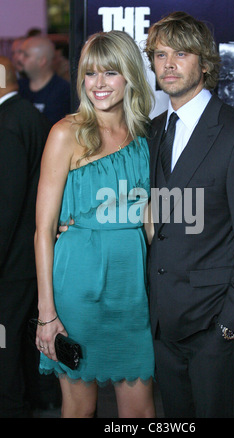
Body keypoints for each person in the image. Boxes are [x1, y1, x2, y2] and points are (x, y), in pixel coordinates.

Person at [144, 11, 234, 418]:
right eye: (160, 54)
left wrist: (229, 326)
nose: (168, 64)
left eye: (181, 53)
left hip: (214, 329)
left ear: (205, 62)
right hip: (162, 325)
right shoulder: (152, 131)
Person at [34, 30, 155, 418]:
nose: (98, 84)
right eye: (90, 73)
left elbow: (150, 219)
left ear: (130, 76)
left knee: (139, 410)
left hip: (131, 289)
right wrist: (47, 313)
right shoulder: (66, 133)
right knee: (79, 408)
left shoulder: (143, 136)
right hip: (77, 288)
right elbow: (43, 230)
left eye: (110, 72)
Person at [0, 56, 51, 417]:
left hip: (10, 263)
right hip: (25, 259)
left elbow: (6, 202)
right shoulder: (27, 115)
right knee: (17, 339)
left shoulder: (8, 122)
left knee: (4, 344)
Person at [18, 35, 71, 125]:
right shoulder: (18, 87)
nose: (19, 58)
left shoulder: (63, 91)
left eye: (26, 55)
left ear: (42, 61)